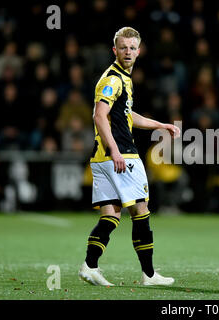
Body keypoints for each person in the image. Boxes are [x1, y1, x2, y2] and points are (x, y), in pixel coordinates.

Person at [78, 27, 180, 287]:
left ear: (139, 50)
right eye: (123, 48)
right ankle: (149, 274)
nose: (128, 52)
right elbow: (99, 115)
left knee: (111, 217)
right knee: (141, 211)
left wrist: (161, 125)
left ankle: (90, 266)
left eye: (132, 48)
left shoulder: (123, 78)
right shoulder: (113, 79)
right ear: (115, 50)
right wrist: (115, 150)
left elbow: (127, 116)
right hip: (120, 154)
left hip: (103, 157)